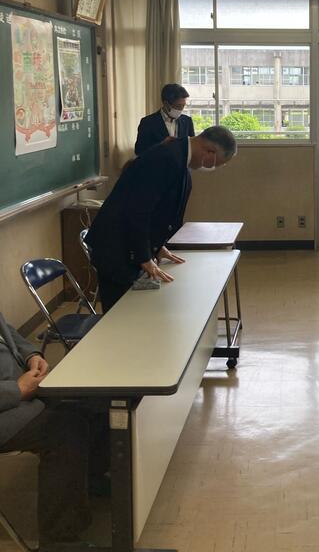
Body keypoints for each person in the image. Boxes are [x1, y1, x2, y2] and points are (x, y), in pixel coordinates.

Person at [87, 126, 237, 312]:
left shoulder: (180, 155)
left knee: (136, 313)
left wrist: (157, 246)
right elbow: (138, 211)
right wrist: (144, 256)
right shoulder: (167, 158)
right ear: (209, 152)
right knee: (120, 315)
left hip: (128, 243)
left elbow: (159, 209)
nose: (210, 167)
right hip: (115, 246)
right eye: (215, 163)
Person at [0, 312, 108, 551]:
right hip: (7, 405)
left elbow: (6, 330)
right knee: (65, 430)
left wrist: (32, 355)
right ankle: (59, 540)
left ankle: (90, 480)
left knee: (94, 395)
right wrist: (16, 389)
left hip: (21, 385)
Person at [134, 83, 195, 156]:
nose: (181, 109)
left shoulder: (187, 121)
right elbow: (139, 151)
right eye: (178, 106)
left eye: (183, 106)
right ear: (166, 104)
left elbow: (192, 148)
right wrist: (161, 145)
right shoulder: (148, 122)